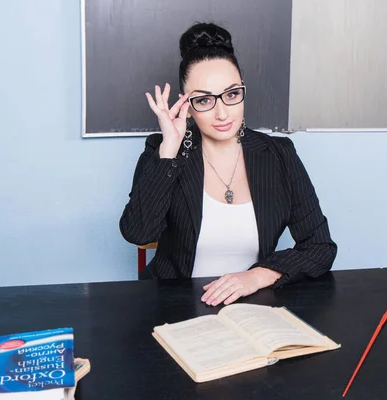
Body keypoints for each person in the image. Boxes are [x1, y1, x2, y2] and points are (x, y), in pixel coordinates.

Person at [120, 22, 336, 307]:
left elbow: (320, 246)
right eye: (204, 100)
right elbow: (139, 233)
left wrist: (257, 276)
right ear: (186, 104)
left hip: (252, 309)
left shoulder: (279, 155)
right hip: (173, 307)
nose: (222, 113)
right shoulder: (162, 151)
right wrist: (170, 148)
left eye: (232, 95)